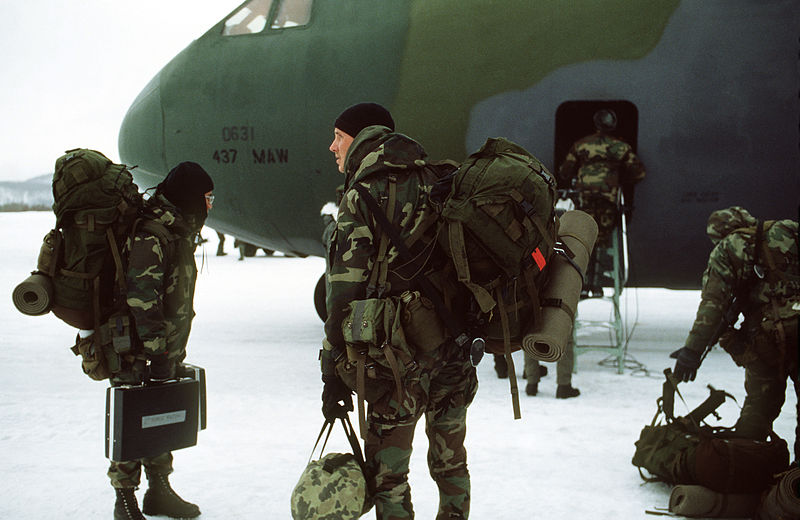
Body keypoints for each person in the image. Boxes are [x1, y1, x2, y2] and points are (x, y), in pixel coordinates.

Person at [321, 102, 478, 519]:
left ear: (359, 138)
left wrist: (331, 361)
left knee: (389, 476)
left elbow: (343, 290)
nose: (332, 146)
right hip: (452, 348)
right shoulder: (441, 178)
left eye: (338, 137)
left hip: (395, 360)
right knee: (451, 460)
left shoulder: (363, 192)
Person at [110, 161, 214, 520]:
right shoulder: (153, 234)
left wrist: (167, 351)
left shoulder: (177, 231)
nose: (210, 205)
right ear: (189, 196)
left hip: (162, 347)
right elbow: (142, 297)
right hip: (136, 349)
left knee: (159, 417)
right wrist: (157, 351)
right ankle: (125, 499)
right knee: (131, 421)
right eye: (206, 197)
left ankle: (159, 490)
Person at [671, 206, 799, 461]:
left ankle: (745, 468)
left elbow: (713, 306)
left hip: (766, 342)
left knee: (757, 409)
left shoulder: (727, 248)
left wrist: (692, 352)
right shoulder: (788, 228)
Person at [558, 109, 646, 297]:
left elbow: (565, 171)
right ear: (613, 125)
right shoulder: (620, 147)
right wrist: (619, 179)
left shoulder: (582, 144)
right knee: (601, 240)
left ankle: (580, 283)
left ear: (596, 124)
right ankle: (596, 285)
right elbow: (638, 173)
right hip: (608, 197)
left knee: (584, 238)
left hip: (585, 197)